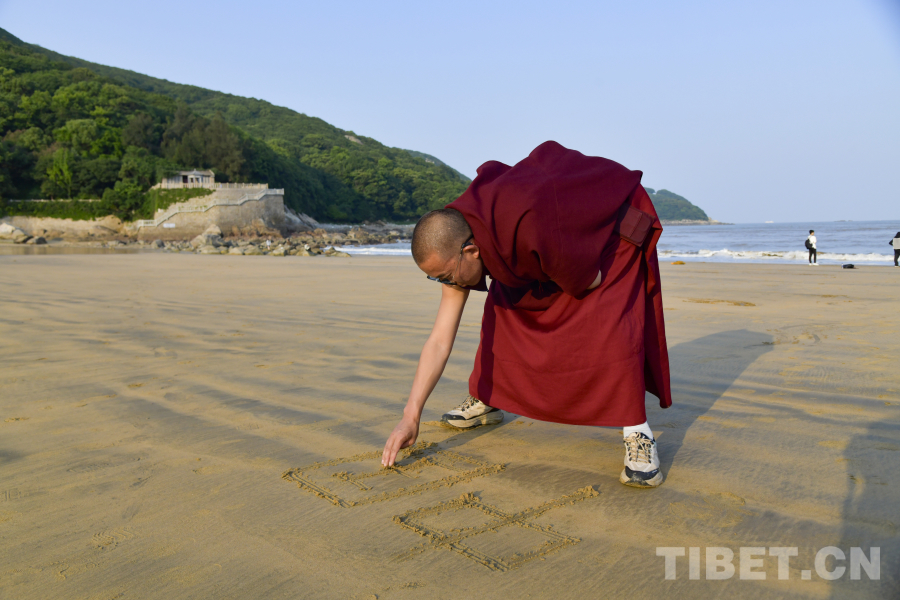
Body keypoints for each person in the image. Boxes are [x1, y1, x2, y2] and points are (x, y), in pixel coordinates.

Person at [381, 141, 673, 488]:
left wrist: (560, 277)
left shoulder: (530, 225)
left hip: (611, 222)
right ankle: (488, 398)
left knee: (607, 316)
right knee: (505, 303)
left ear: (471, 250)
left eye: (445, 277)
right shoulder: (456, 240)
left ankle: (637, 431)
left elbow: (590, 280)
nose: (446, 284)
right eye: (437, 278)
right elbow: (440, 339)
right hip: (545, 232)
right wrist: (410, 415)